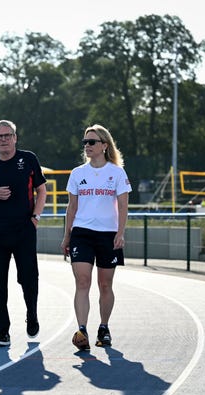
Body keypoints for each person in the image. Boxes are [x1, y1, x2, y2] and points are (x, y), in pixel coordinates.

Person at [0, 119, 47, 347]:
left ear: (15, 137)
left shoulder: (28, 159)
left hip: (24, 229)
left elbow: (41, 190)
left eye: (8, 135)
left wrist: (35, 218)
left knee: (28, 278)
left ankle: (32, 314)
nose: (4, 139)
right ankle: (1, 331)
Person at [60, 124, 132, 351]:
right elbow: (71, 208)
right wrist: (67, 236)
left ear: (104, 145)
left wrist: (120, 233)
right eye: (85, 142)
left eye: (92, 142)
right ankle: (82, 329)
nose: (87, 146)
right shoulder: (77, 173)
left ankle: (104, 327)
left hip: (108, 235)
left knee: (105, 284)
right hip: (82, 233)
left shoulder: (117, 173)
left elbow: (123, 205)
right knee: (82, 281)